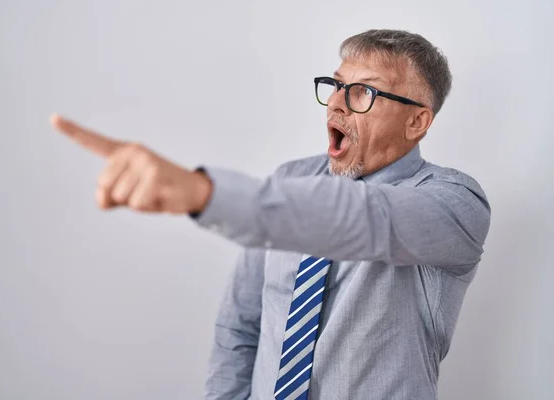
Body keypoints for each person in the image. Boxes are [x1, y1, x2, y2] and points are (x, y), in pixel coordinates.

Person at [51, 29, 491, 400]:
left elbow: (363, 217)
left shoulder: (454, 203)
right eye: (336, 85)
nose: (337, 103)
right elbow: (240, 327)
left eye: (363, 92)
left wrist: (204, 192)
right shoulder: (288, 180)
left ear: (417, 123)